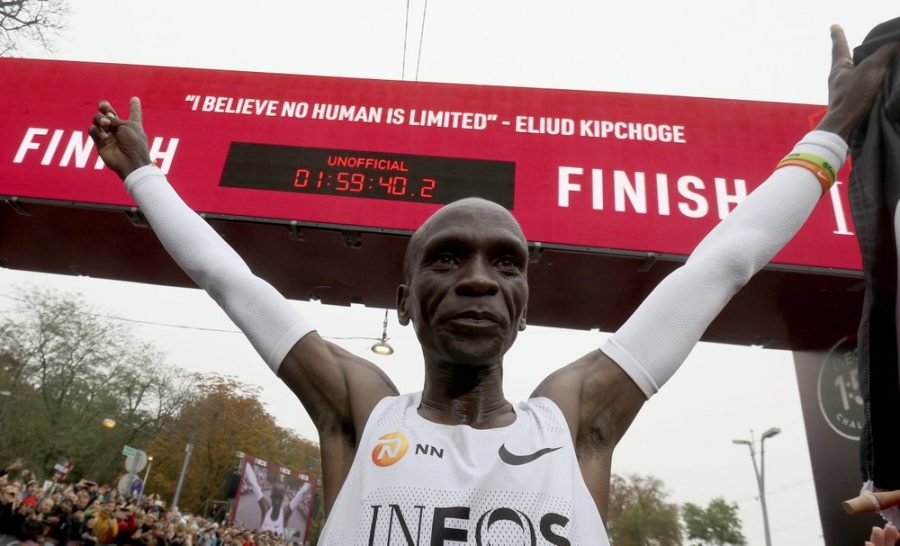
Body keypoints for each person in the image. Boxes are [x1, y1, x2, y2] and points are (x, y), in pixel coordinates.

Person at [89, 26, 899, 544]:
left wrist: (838, 128)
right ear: (403, 302)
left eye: (505, 262)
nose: (478, 278)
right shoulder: (360, 409)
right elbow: (229, 279)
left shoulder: (578, 417)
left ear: (525, 308)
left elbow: (722, 262)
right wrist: (145, 177)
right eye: (445, 259)